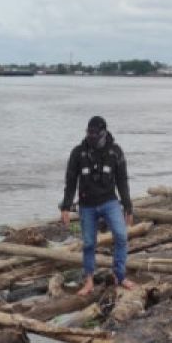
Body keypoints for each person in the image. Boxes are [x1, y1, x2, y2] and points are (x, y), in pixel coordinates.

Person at [60, 115, 134, 295]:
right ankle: (89, 281)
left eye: (95, 135)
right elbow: (70, 181)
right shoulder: (78, 153)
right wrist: (65, 207)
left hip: (110, 201)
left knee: (121, 235)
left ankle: (120, 275)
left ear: (103, 133)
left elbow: (122, 181)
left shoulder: (116, 152)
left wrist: (128, 206)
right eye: (89, 134)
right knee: (88, 243)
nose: (91, 139)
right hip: (87, 205)